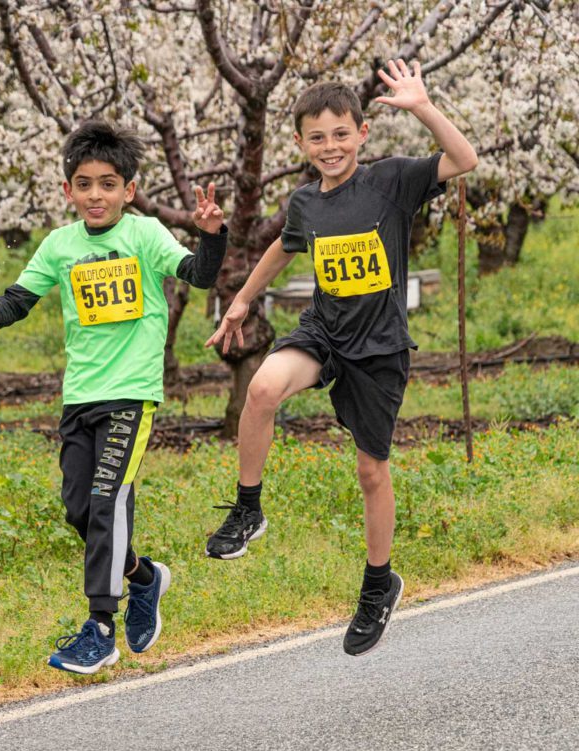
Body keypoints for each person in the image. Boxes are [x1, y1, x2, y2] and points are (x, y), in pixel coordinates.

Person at [204, 60, 477, 656]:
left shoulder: (391, 181)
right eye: (317, 137)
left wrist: (423, 107)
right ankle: (248, 510)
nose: (330, 147)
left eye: (340, 134)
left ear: (362, 133)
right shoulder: (306, 201)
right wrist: (242, 300)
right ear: (300, 143)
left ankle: (379, 585)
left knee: (370, 472)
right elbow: (283, 246)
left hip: (378, 348)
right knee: (261, 389)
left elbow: (464, 159)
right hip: (324, 331)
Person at [0, 121, 227, 674]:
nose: (95, 195)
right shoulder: (60, 245)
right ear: (68, 190)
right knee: (79, 510)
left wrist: (212, 235)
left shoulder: (145, 234)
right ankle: (144, 578)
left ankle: (100, 628)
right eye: (84, 184)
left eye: (108, 184)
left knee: (107, 502)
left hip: (131, 394)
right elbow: (17, 300)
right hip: (80, 396)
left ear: (129, 190)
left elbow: (198, 275)